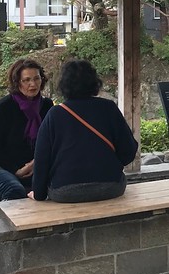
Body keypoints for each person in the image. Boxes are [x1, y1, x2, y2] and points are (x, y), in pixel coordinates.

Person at [31, 59, 138, 203]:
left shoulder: (55, 114)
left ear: (63, 84)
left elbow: (42, 159)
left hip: (65, 191)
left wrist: (38, 194)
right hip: (110, 187)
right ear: (94, 81)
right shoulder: (108, 108)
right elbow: (129, 151)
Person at [0, 58, 54, 201]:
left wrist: (35, 163)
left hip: (35, 165)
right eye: (26, 80)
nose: (32, 84)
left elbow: (52, 141)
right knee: (14, 190)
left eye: (36, 78)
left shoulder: (47, 106)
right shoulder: (2, 108)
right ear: (17, 82)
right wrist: (16, 170)